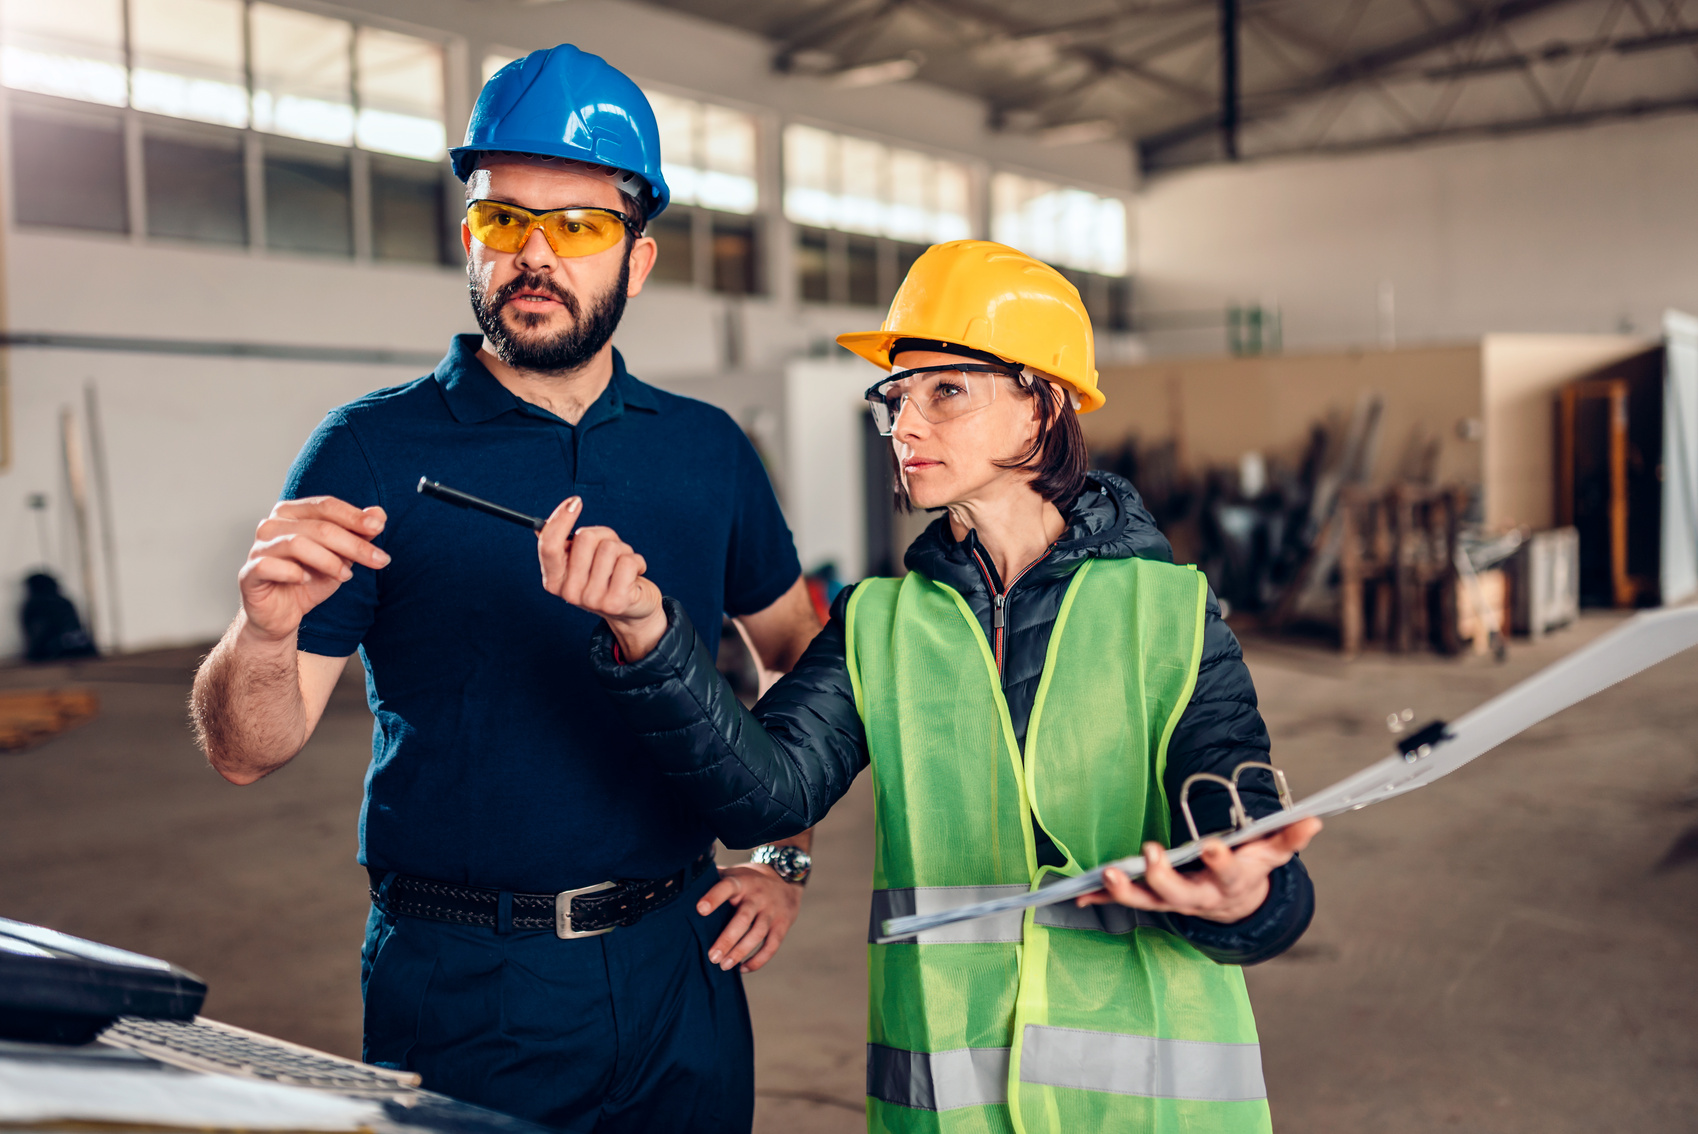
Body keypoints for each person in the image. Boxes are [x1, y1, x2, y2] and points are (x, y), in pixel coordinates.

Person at [550, 240, 1323, 1133]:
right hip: (952, 1113)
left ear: (1044, 406)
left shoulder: (1173, 612)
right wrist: (649, 638)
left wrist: (1246, 895)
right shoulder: (877, 621)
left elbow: (1245, 832)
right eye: (896, 399)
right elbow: (766, 794)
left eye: (945, 391)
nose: (905, 427)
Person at [189, 45, 821, 1133]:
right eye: (501, 220)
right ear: (469, 236)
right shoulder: (371, 451)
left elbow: (800, 654)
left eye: (576, 227)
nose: (534, 255)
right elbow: (250, 748)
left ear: (640, 256)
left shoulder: (708, 451)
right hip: (468, 982)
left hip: (685, 964)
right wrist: (258, 634)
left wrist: (778, 855)